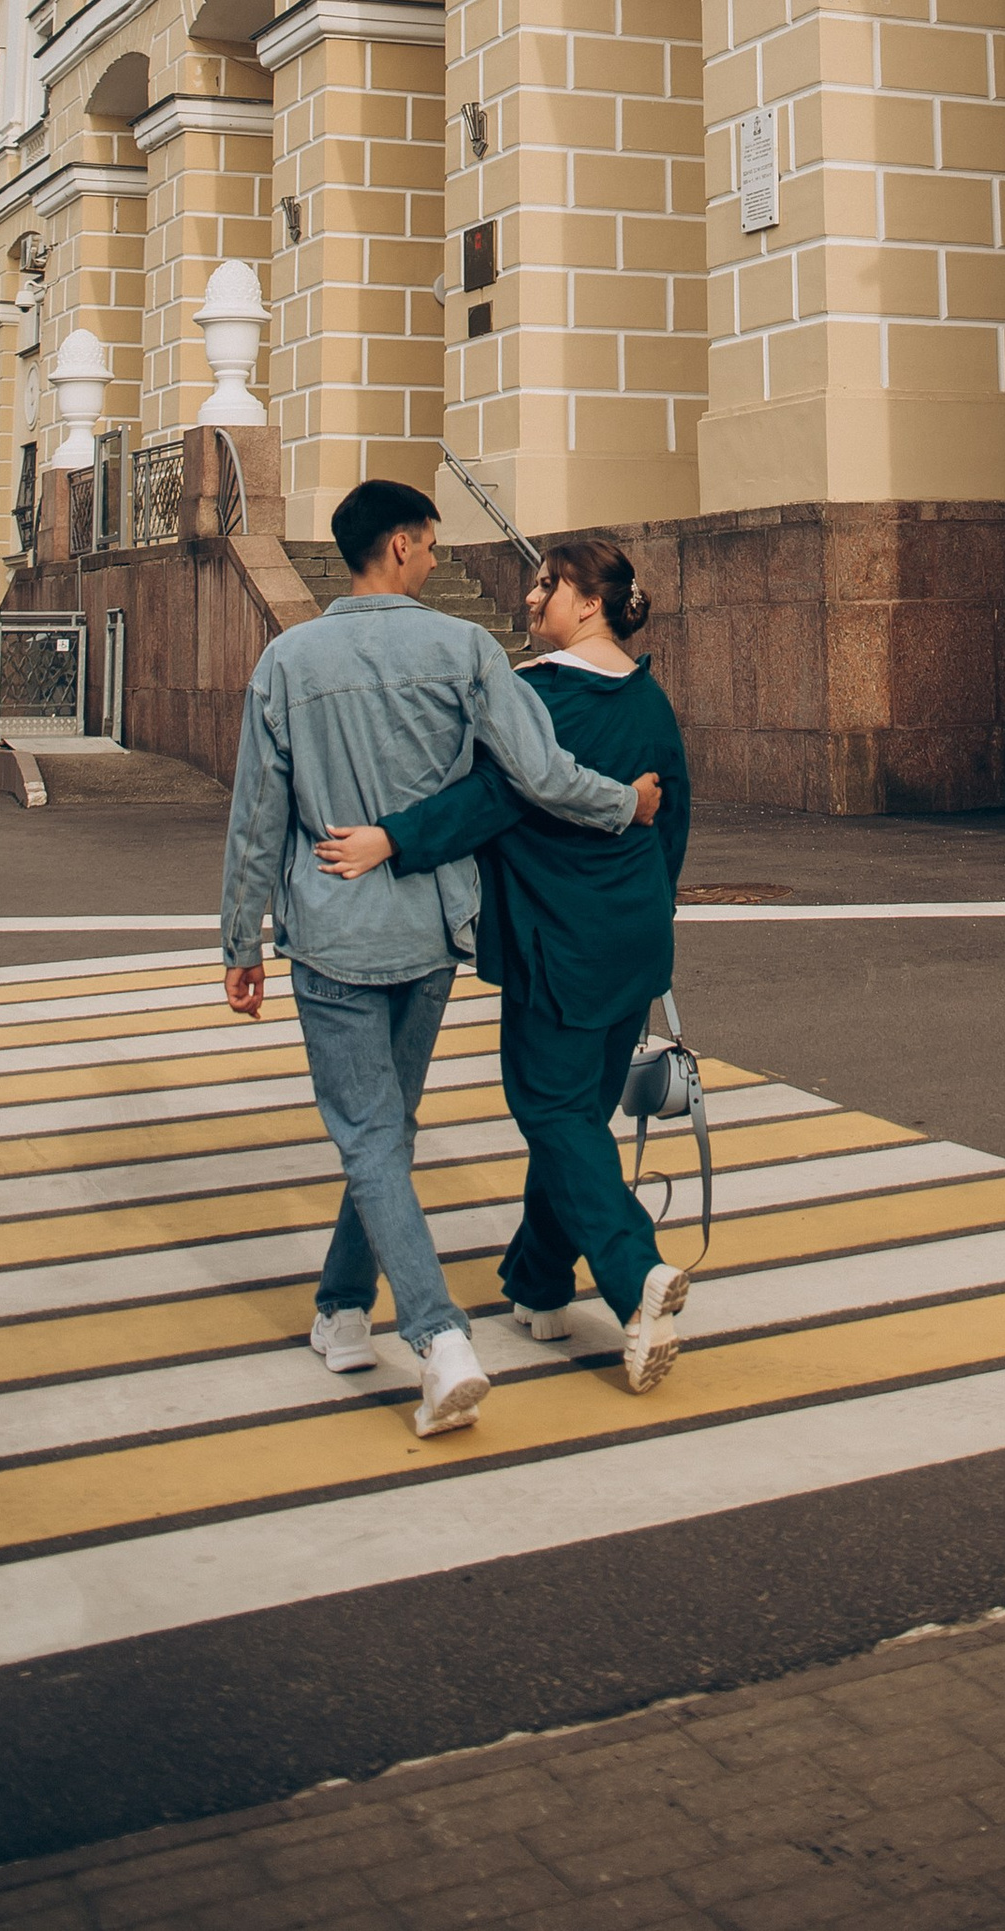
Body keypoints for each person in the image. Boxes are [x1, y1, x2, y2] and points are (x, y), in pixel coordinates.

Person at [219, 477, 661, 1441]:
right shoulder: (463, 648)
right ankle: (342, 1311)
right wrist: (626, 803)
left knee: (372, 1136)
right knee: (385, 1130)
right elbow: (539, 775)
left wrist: (238, 938)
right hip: (425, 936)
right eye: (428, 539)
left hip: (331, 931)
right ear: (408, 547)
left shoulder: (287, 660)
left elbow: (257, 814)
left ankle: (437, 1337)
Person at [318, 530, 694, 1395]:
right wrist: (649, 913)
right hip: (632, 940)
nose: (531, 599)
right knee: (575, 1121)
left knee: (552, 1111)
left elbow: (487, 801)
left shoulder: (534, 694)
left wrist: (391, 839)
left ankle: (637, 1274)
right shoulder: (649, 698)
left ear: (588, 603)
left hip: (555, 942)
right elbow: (672, 823)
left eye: (546, 585)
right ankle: (537, 1282)